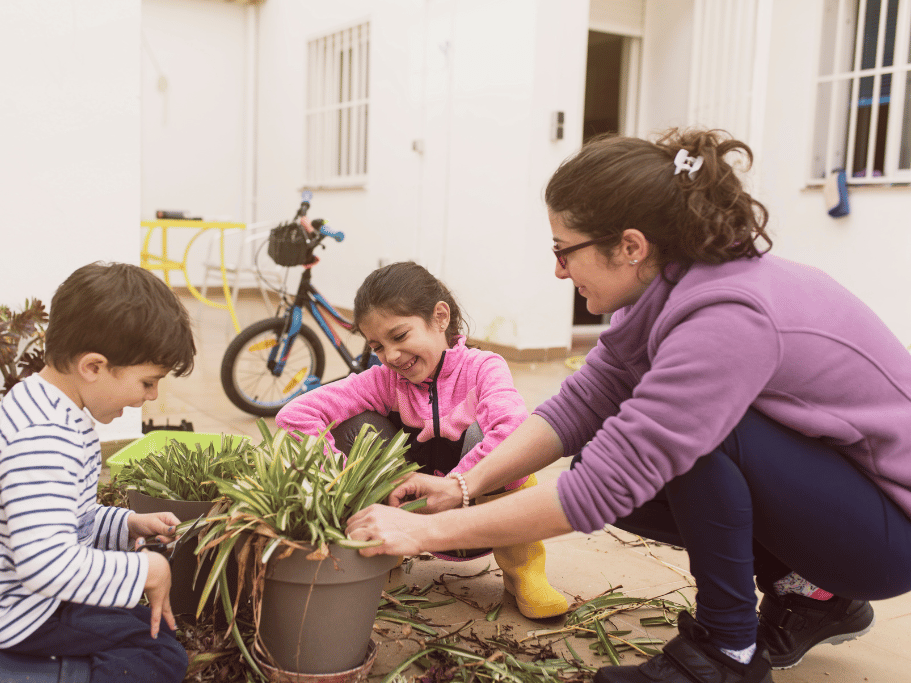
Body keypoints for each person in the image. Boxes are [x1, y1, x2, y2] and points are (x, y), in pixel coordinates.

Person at [346, 129, 911, 683]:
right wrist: (463, 484)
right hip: (843, 497)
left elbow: (604, 489)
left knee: (694, 442)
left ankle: (726, 652)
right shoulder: (670, 293)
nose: (559, 270)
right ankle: (813, 594)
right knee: (603, 444)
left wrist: (421, 534)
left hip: (888, 533)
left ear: (631, 246)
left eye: (565, 251)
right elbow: (582, 403)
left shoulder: (726, 316)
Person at [0, 262, 197, 683]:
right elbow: (46, 562)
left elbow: (63, 519)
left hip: (14, 606)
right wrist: (148, 571)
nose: (152, 396)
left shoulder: (46, 406)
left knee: (143, 635)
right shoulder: (43, 437)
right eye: (147, 382)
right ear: (93, 367)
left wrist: (126, 523)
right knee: (157, 658)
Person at [276, 261, 569, 619]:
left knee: (502, 441)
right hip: (406, 513)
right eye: (378, 346)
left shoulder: (483, 368)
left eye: (399, 336)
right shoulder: (384, 380)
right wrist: (343, 479)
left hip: (482, 517)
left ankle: (524, 571)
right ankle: (384, 551)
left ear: (440, 317)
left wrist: (453, 487)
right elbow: (295, 415)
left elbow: (512, 430)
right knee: (357, 427)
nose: (392, 356)